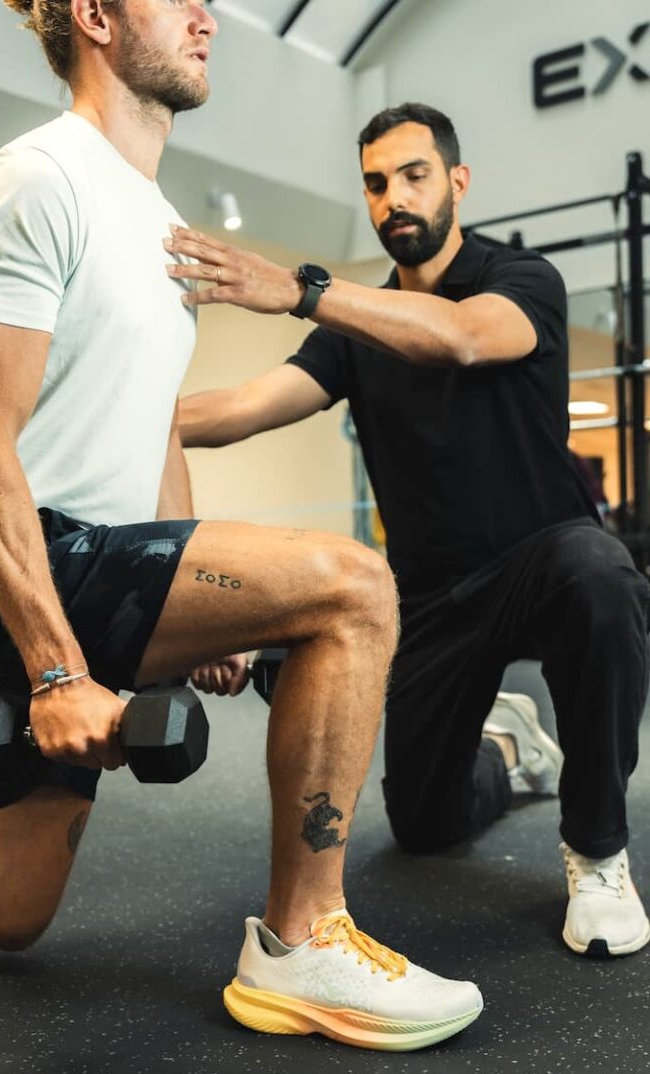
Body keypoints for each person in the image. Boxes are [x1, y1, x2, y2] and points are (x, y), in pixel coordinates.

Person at [0, 7, 484, 1052]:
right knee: (353, 584)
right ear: (96, 15)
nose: (208, 14)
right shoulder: (38, 177)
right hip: (18, 571)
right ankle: (302, 944)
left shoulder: (161, 224)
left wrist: (210, 616)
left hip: (98, 564)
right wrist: (57, 670)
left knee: (0, 904)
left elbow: (155, 433)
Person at [176, 102, 650, 959]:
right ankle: (508, 747)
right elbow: (244, 406)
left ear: (457, 181)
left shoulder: (521, 280)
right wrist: (114, 414)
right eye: (375, 183)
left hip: (542, 561)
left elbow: (462, 339)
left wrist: (304, 292)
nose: (393, 197)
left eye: (414, 175)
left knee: (601, 570)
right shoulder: (356, 329)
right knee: (425, 825)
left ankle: (599, 851)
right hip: (431, 597)